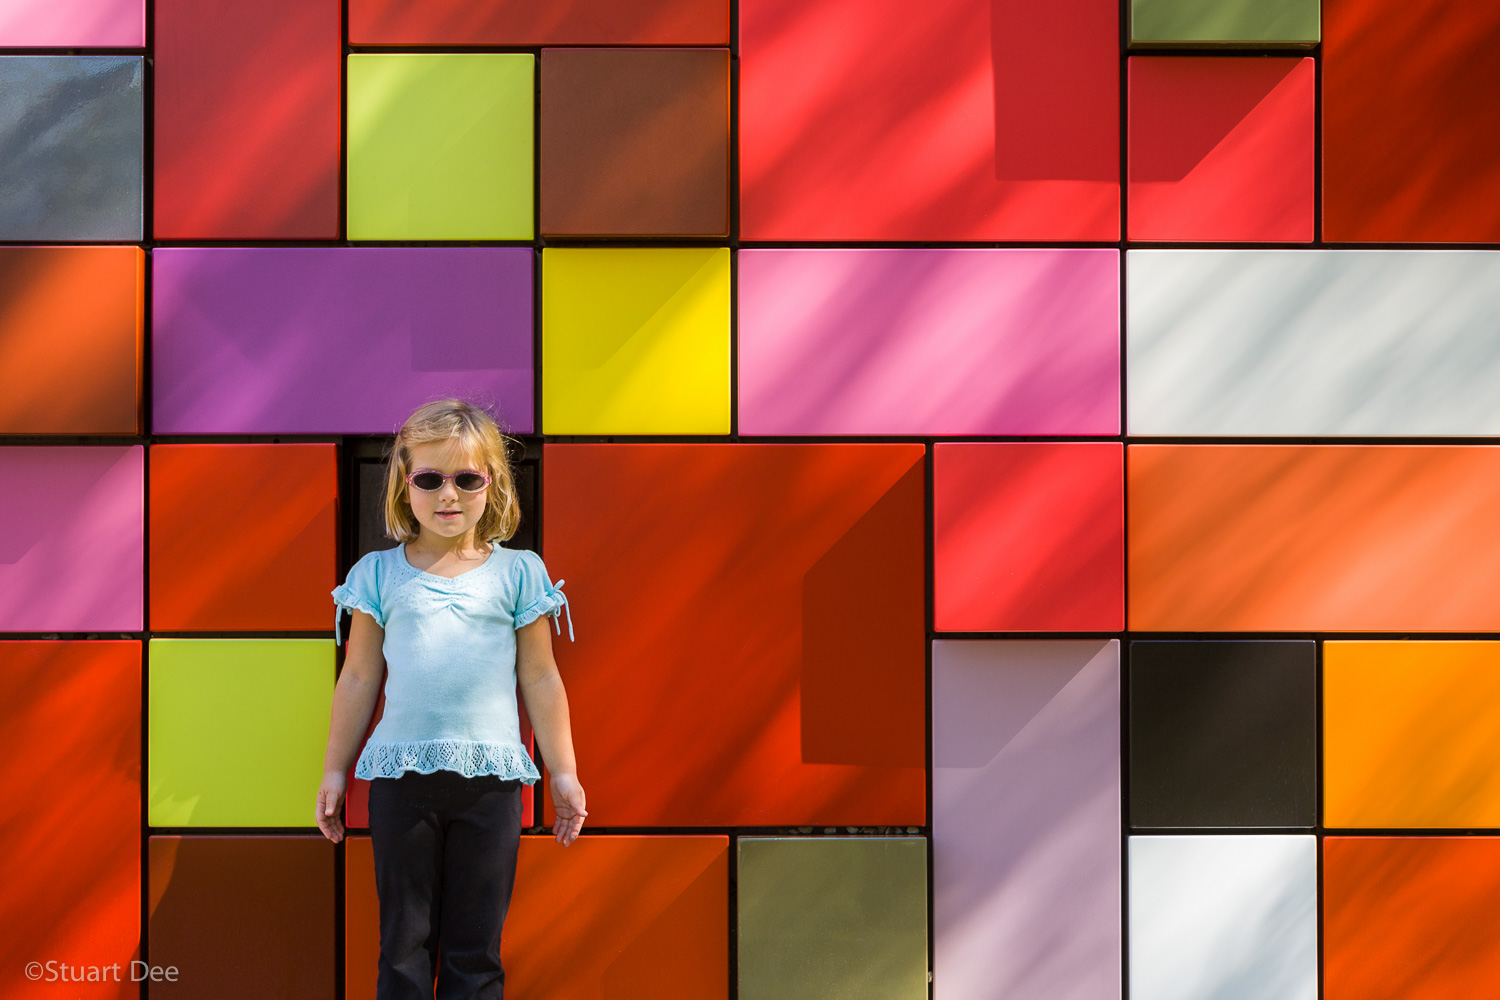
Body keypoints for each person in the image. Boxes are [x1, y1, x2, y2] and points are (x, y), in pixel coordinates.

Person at [315, 397, 586, 1000]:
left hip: (490, 785)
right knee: (404, 947)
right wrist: (334, 769)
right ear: (404, 483)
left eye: (467, 479)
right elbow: (359, 678)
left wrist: (562, 772)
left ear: (491, 483)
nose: (449, 495)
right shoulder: (378, 575)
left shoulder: (518, 574)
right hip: (402, 783)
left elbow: (540, 678)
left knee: (475, 952)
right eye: (430, 478)